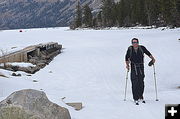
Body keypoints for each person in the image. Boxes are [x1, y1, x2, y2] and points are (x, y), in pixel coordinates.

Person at [125, 38, 155, 105]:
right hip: (133, 66)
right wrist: (127, 65)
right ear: (132, 43)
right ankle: (135, 97)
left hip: (141, 66)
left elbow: (148, 53)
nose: (134, 44)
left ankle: (140, 95)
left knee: (141, 82)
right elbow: (126, 57)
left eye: (135, 42)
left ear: (138, 42)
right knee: (134, 82)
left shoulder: (142, 48)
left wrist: (152, 59)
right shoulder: (130, 49)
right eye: (133, 42)